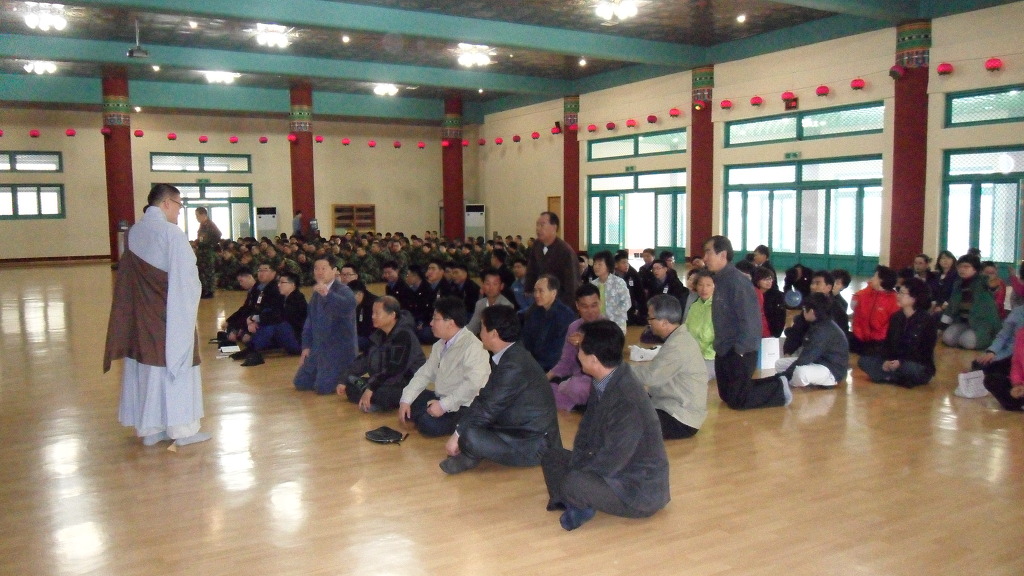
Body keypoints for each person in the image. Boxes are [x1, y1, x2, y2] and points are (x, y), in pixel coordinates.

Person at [103, 183, 210, 448]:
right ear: (166, 203)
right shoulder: (171, 234)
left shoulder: (135, 231)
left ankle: (151, 428)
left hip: (142, 315)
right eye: (178, 205)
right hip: (168, 313)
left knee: (147, 370)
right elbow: (186, 279)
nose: (178, 211)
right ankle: (182, 430)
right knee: (177, 364)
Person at [540, 320, 670, 531]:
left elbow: (615, 458)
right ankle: (577, 499)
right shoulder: (604, 379)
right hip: (611, 467)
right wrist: (578, 462)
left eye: (580, 349)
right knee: (552, 457)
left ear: (593, 359)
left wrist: (580, 474)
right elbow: (586, 430)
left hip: (636, 487)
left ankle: (578, 499)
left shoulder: (627, 400)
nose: (577, 352)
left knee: (574, 482)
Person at [440, 305, 562, 474]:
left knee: (469, 434)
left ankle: (470, 455)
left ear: (494, 333)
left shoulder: (514, 364)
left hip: (533, 443)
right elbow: (485, 398)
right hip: (513, 426)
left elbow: (489, 407)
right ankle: (470, 454)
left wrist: (458, 435)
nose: (479, 331)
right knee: (464, 418)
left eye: (482, 327)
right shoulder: (509, 354)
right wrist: (460, 429)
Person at [704, 235, 791, 410]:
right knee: (726, 396)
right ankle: (773, 382)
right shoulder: (720, 279)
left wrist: (741, 350)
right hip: (724, 347)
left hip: (741, 349)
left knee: (738, 401)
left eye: (708, 253)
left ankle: (779, 388)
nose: (704, 258)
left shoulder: (738, 282)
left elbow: (751, 320)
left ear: (723, 255)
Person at [398, 296, 491, 437]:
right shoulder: (439, 345)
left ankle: (436, 416)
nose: (430, 323)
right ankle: (428, 411)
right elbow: (424, 374)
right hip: (441, 396)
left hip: (464, 405)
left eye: (435, 319)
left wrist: (444, 405)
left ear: (450, 323)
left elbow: (473, 386)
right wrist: (406, 399)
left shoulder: (473, 347)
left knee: (427, 425)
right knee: (408, 398)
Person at [631, 295, 708, 439]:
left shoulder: (678, 345)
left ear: (664, 322)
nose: (648, 322)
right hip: (667, 404)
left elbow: (651, 377)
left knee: (624, 421)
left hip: (681, 418)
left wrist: (619, 369)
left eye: (651, 318)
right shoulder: (678, 338)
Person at [337, 296, 427, 412]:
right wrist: (343, 379)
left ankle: (373, 398)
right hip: (382, 381)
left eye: (377, 313)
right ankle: (370, 397)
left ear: (392, 315)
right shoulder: (379, 334)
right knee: (349, 384)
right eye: (372, 313)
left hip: (404, 384)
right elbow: (363, 360)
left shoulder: (404, 335)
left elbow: (394, 369)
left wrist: (371, 388)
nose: (373, 317)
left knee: (383, 394)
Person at [293, 256, 358, 395]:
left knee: (322, 388)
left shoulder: (343, 290)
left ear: (334, 270)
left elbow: (349, 305)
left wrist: (327, 294)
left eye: (324, 268)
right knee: (300, 383)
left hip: (338, 349)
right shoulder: (316, 294)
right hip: (318, 348)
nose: (319, 272)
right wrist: (306, 347)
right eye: (316, 268)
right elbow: (309, 324)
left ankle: (345, 375)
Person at [858, 277, 937, 388]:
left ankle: (889, 377)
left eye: (902, 293)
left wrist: (901, 362)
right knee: (864, 361)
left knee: (909, 368)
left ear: (915, 297)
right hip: (894, 361)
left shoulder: (927, 320)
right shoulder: (896, 317)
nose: (898, 296)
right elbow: (888, 344)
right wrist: (886, 361)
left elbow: (925, 352)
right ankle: (897, 378)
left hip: (916, 364)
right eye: (899, 292)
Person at [765, 293, 849, 388]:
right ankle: (794, 380)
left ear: (812, 311)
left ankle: (785, 384)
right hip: (818, 361)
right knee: (780, 364)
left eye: (804, 309)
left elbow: (806, 358)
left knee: (800, 373)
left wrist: (784, 375)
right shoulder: (820, 323)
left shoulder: (823, 330)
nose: (803, 312)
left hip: (831, 370)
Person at [547, 283, 604, 411]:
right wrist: (546, 377)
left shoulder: (609, 327)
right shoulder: (574, 327)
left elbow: (609, 364)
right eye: (584, 306)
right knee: (545, 391)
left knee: (577, 387)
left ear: (600, 303)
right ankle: (578, 405)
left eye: (594, 305)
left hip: (599, 380)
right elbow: (566, 362)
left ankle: (578, 403)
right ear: (577, 306)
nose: (590, 311)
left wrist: (584, 344)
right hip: (576, 380)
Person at [242, 271, 307, 366]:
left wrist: (256, 318)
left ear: (292, 285)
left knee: (277, 324)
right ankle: (253, 346)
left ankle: (253, 348)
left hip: (298, 342)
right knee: (268, 314)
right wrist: (254, 320)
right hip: (287, 336)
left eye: (282, 283)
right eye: (278, 282)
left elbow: (280, 317)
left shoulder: (298, 299)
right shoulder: (282, 298)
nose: (279, 285)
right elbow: (270, 312)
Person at [941, 254, 1002, 350]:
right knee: (947, 338)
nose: (962, 269)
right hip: (963, 322)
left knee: (967, 341)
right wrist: (943, 325)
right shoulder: (958, 284)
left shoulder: (981, 282)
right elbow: (951, 305)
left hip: (982, 324)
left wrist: (991, 281)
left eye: (966, 267)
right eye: (960, 267)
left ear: (975, 269)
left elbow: (992, 284)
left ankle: (989, 338)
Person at [783, 270, 850, 356]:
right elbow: (797, 330)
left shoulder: (838, 310)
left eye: (818, 283)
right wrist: (787, 352)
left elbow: (840, 338)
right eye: (812, 283)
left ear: (828, 288)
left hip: (826, 355)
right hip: (807, 348)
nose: (813, 287)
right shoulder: (809, 304)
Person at [521, 274, 577, 372]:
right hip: (532, 364)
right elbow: (526, 340)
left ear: (553, 293)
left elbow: (557, 352)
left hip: (552, 369)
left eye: (541, 291)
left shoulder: (565, 315)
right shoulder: (533, 311)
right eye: (535, 291)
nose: (536, 295)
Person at [525, 211, 580, 308]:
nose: (538, 229)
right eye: (537, 225)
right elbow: (531, 271)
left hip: (560, 303)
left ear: (554, 227)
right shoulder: (537, 245)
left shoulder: (565, 251)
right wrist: (529, 290)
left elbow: (572, 284)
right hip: (540, 300)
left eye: (542, 225)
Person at [849, 265, 901, 356]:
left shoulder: (894, 300)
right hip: (859, 336)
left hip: (878, 342)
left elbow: (891, 326)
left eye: (874, 277)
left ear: (881, 280)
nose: (872, 278)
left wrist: (877, 338)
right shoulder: (866, 293)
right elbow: (853, 306)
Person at [983, 325, 1024, 411]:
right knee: (991, 379)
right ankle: (1018, 402)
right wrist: (1017, 384)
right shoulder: (1021, 333)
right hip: (1021, 385)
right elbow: (1016, 363)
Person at [684, 270, 716, 380]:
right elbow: (686, 329)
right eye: (700, 285)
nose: (704, 289)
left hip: (711, 357)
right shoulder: (694, 306)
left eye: (708, 285)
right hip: (692, 355)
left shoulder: (719, 307)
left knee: (692, 378)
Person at [590, 250, 630, 334]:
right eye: (595, 264)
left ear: (608, 266)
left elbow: (627, 303)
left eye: (600, 264)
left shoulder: (619, 282)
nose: (596, 267)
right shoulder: (593, 284)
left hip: (616, 324)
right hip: (597, 324)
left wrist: (610, 317)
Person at [466, 268, 514, 335]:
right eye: (487, 284)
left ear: (501, 286)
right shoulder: (480, 304)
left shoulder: (506, 306)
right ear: (483, 285)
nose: (491, 288)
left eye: (495, 284)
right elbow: (472, 327)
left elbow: (503, 334)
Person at [194, 206, 221, 299]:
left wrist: (209, 243)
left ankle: (209, 291)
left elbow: (218, 235)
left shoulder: (209, 224)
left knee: (208, 271)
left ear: (203, 214)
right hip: (202, 251)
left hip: (207, 252)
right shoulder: (203, 225)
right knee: (202, 271)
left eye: (197, 215)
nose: (196, 218)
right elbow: (202, 238)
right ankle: (204, 290)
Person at [614, 251, 646, 325]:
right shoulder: (611, 275)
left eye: (627, 263)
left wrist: (638, 308)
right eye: (623, 263)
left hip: (631, 307)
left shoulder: (633, 273)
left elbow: (640, 293)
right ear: (615, 265)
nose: (626, 265)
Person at [754, 266, 785, 337]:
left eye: (770, 279)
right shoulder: (752, 294)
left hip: (771, 332)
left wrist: (777, 333)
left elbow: (781, 316)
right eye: (765, 279)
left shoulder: (777, 295)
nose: (769, 282)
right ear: (757, 281)